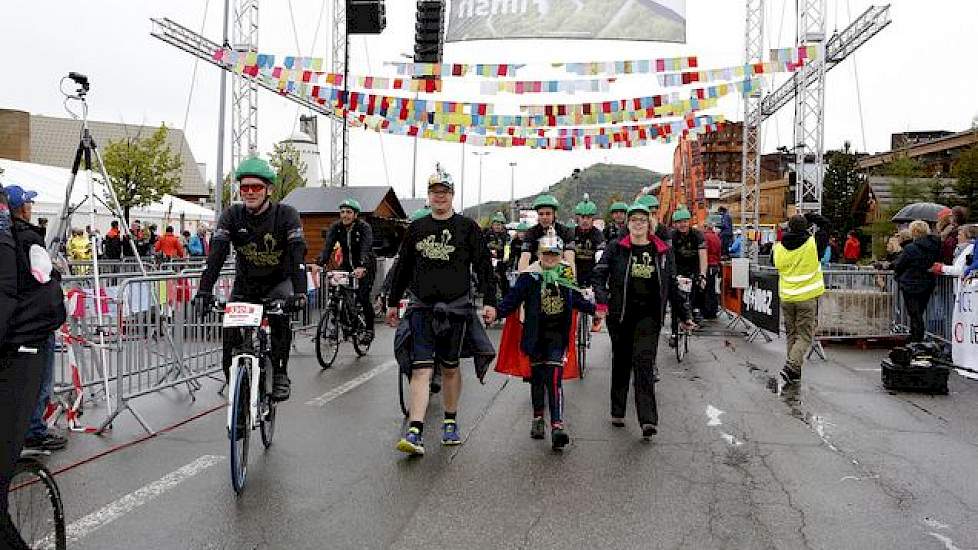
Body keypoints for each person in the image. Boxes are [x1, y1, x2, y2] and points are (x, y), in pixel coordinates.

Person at [387, 169, 497, 456]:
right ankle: (415, 430)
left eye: (444, 191)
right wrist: (391, 302)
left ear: (452, 195)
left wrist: (490, 301)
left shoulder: (467, 228)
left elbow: (484, 266)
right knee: (420, 368)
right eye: (435, 191)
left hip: (456, 310)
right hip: (422, 308)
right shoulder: (416, 228)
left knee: (450, 368)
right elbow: (402, 268)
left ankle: (450, 421)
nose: (440, 196)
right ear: (429, 195)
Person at [193, 157, 307, 402]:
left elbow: (298, 252)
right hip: (246, 286)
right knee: (230, 343)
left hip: (279, 282)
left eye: (256, 187)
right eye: (245, 188)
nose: (250, 192)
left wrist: (300, 292)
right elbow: (216, 255)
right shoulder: (232, 215)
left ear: (269, 190)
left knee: (278, 320)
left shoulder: (286, 214)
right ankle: (240, 399)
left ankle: (279, 373)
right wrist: (203, 291)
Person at [0, 183, 67, 549]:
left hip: (21, 350)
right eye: (25, 202)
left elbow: (34, 290)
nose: (28, 207)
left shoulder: (18, 239)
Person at [593, 202, 691, 439]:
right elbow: (599, 276)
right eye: (634, 220)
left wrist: (684, 314)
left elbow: (672, 284)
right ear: (628, 224)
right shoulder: (616, 248)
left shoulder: (662, 252)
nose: (638, 224)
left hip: (649, 317)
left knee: (644, 363)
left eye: (642, 220)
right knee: (622, 361)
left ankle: (648, 420)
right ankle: (617, 410)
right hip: (621, 315)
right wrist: (602, 303)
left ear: (650, 224)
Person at [494, 231, 595, 450]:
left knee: (555, 377)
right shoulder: (530, 276)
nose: (550, 258)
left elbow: (577, 299)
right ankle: (538, 417)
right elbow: (513, 300)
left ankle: (557, 425)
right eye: (546, 254)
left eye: (555, 254)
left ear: (560, 255)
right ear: (540, 254)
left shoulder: (565, 275)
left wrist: (597, 309)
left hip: (557, 335)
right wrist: (496, 312)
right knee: (538, 378)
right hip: (534, 335)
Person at [4, 186, 68, 454]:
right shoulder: (28, 237)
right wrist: (56, 272)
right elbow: (42, 275)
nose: (32, 206)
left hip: (14, 320)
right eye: (29, 203)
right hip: (34, 320)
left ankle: (21, 431)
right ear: (22, 207)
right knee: (39, 379)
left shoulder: (6, 235)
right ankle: (33, 432)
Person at [773, 215, 825, 384]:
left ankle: (794, 372)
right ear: (806, 228)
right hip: (806, 297)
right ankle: (791, 365)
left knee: (791, 334)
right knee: (804, 337)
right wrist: (812, 217)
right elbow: (827, 226)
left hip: (787, 296)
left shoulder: (779, 247)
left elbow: (774, 263)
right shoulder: (813, 244)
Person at [318, 198, 376, 342]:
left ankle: (369, 329)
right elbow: (328, 247)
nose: (345, 215)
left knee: (363, 297)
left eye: (349, 212)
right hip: (346, 265)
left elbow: (365, 247)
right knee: (337, 292)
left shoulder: (364, 228)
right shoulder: (336, 227)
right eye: (342, 212)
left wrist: (362, 266)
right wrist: (320, 263)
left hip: (365, 264)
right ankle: (341, 323)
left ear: (356, 214)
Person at [893, 220, 940, 343]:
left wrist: (898, 273)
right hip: (927, 282)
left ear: (913, 232)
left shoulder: (910, 248)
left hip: (910, 283)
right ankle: (916, 335)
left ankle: (916, 337)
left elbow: (900, 265)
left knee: (914, 313)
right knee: (920, 311)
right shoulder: (935, 246)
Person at [669, 207, 707, 338]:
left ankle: (696, 309)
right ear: (674, 224)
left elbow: (703, 256)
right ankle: (674, 331)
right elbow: (670, 256)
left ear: (689, 222)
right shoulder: (672, 236)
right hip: (678, 266)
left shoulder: (697, 235)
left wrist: (703, 275)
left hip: (693, 266)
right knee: (675, 297)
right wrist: (671, 274)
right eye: (679, 222)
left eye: (685, 221)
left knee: (700, 284)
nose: (682, 224)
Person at [518, 194, 576, 273]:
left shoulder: (566, 232)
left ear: (555, 214)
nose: (544, 217)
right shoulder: (530, 233)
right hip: (537, 273)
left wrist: (572, 281)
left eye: (548, 213)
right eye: (541, 214)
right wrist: (522, 278)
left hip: (559, 273)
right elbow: (525, 257)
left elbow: (570, 258)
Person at [572, 199, 605, 287]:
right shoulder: (571, 232)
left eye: (588, 217)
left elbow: (600, 255)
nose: (585, 221)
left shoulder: (598, 234)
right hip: (574, 273)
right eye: (582, 217)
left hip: (591, 275)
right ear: (578, 218)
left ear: (593, 219)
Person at [483, 212, 511, 300]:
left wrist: (506, 257)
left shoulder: (506, 236)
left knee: (503, 281)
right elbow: (483, 246)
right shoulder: (488, 234)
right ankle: (490, 298)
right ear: (492, 225)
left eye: (499, 225)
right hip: (490, 261)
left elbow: (507, 247)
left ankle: (505, 298)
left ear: (503, 225)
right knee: (490, 280)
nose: (497, 226)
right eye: (495, 224)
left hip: (501, 261)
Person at [702, 221, 722, 320]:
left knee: (706, 289)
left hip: (708, 265)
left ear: (706, 227)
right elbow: (719, 252)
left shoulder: (706, 237)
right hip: (714, 265)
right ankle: (713, 310)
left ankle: (708, 311)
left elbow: (704, 251)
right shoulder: (716, 237)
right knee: (712, 289)